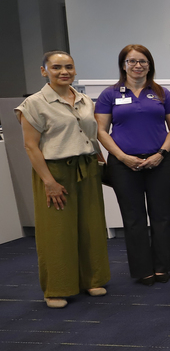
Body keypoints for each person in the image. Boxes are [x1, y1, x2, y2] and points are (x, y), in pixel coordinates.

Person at [16, 51, 110, 308]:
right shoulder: (34, 103)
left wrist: (101, 164)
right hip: (55, 171)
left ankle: (92, 279)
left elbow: (90, 136)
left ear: (75, 70)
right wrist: (48, 181)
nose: (64, 72)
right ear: (44, 71)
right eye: (56, 67)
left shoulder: (84, 100)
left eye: (68, 66)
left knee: (91, 227)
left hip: (87, 167)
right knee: (57, 232)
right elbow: (30, 146)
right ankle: (57, 288)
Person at [95, 44, 170, 285]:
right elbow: (101, 131)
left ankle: (163, 266)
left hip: (159, 162)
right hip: (123, 165)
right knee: (133, 219)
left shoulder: (162, 93)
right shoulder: (109, 95)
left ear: (149, 65)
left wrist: (161, 153)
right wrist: (123, 157)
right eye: (131, 61)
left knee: (162, 216)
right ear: (123, 65)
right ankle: (143, 270)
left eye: (143, 61)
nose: (137, 65)